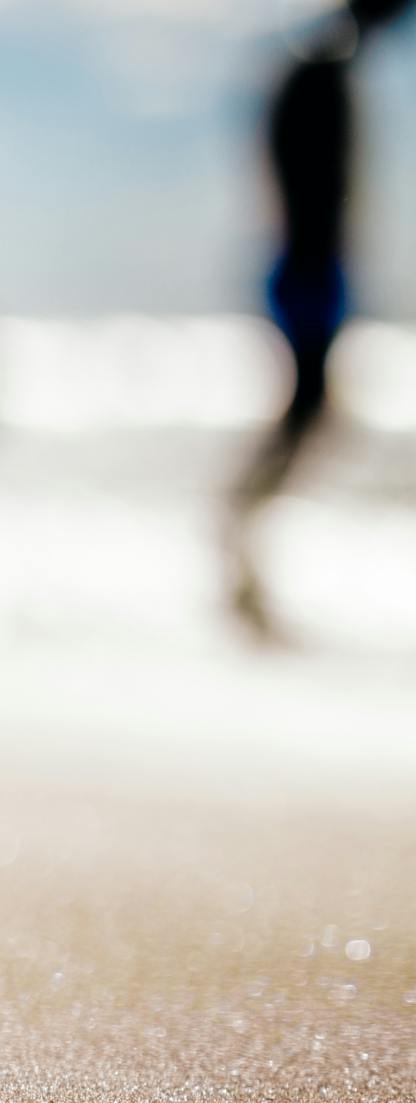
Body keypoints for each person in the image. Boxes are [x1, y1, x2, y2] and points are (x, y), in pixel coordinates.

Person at [222, 0, 409, 644]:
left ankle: (244, 560)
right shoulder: (319, 72)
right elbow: (308, 185)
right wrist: (318, 256)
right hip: (308, 268)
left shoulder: (318, 69)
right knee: (307, 410)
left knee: (309, 412)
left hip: (310, 265)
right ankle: (238, 556)